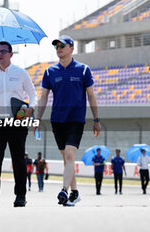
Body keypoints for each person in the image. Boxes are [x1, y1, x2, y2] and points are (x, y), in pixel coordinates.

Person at [34, 35, 101, 206]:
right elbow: (43, 98)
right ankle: (75, 192)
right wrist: (37, 119)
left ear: (72, 48)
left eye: (62, 45)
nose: (58, 48)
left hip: (76, 120)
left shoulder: (84, 70)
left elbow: (91, 96)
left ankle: (64, 190)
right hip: (57, 120)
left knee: (70, 155)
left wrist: (96, 119)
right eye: (56, 46)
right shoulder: (50, 72)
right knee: (66, 159)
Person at [0, 41, 37, 207]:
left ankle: (20, 195)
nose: (0, 54)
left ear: (11, 54)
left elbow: (33, 94)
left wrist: (31, 109)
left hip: (16, 121)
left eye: (4, 51)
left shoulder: (21, 73)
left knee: (18, 160)